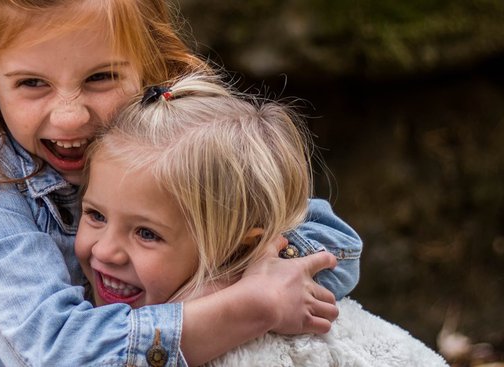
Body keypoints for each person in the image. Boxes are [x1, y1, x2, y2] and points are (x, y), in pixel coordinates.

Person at [0, 0, 362, 365]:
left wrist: (226, 278)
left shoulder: (178, 142)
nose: (70, 116)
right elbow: (55, 353)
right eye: (32, 84)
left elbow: (334, 244)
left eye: (101, 77)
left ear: (149, 62)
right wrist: (245, 306)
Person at [75, 74, 446, 366]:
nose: (105, 251)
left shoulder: (261, 347)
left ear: (241, 247)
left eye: (145, 233)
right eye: (95, 215)